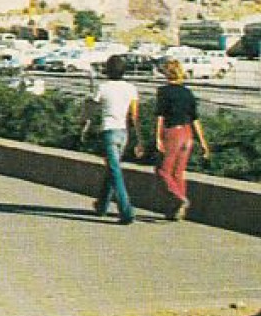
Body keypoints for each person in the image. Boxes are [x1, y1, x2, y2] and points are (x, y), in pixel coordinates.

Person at [82, 54, 144, 225]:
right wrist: (139, 140)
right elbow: (134, 116)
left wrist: (85, 124)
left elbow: (91, 108)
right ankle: (101, 205)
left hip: (108, 131)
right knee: (113, 168)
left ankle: (126, 211)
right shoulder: (131, 88)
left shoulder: (103, 87)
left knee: (115, 170)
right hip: (123, 133)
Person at [154, 59, 211, 220]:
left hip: (173, 133)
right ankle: (176, 211)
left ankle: (180, 198)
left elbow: (160, 116)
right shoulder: (188, 93)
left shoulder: (163, 91)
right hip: (187, 134)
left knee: (163, 171)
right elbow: (195, 119)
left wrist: (158, 137)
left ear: (167, 73)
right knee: (178, 173)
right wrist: (203, 143)